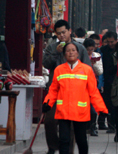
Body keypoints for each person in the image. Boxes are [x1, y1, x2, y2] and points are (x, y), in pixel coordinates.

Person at [42, 43, 108, 154]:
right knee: (64, 140)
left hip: (80, 112)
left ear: (78, 53)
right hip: (63, 111)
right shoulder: (59, 70)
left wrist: (101, 109)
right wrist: (47, 103)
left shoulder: (87, 70)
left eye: (73, 50)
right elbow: (53, 90)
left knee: (81, 140)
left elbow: (94, 92)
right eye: (68, 50)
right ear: (64, 54)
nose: (71, 52)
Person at [43, 20, 92, 154]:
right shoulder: (52, 47)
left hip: (75, 93)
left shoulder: (79, 48)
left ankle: (68, 150)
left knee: (70, 125)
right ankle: (53, 146)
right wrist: (57, 53)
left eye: (64, 32)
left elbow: (88, 68)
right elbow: (46, 64)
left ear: (70, 31)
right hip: (55, 91)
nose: (62, 36)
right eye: (58, 34)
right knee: (50, 121)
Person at [83, 38, 103, 137]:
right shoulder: (80, 56)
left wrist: (94, 65)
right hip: (82, 85)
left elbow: (100, 72)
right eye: (88, 50)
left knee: (93, 109)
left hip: (93, 85)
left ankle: (93, 127)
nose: (90, 52)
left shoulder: (97, 56)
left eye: (92, 49)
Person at [99, 31, 118, 133]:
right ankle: (110, 124)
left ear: (116, 40)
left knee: (116, 104)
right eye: (108, 42)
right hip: (107, 79)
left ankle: (116, 124)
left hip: (117, 79)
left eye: (112, 42)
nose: (110, 44)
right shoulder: (103, 50)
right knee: (108, 103)